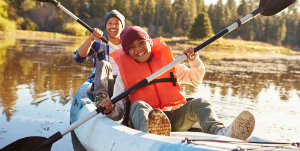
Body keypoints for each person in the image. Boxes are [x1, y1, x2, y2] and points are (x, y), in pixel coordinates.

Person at [99, 26, 255, 140]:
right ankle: (153, 135)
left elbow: (195, 79)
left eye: (141, 43)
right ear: (127, 53)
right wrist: (110, 108)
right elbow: (118, 111)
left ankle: (220, 132)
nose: (138, 49)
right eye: (132, 47)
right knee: (138, 105)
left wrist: (194, 61)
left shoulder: (168, 65)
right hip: (143, 122)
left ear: (150, 43)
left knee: (201, 103)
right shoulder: (123, 77)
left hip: (172, 119)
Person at [73, 10, 125, 102]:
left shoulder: (128, 46)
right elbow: (78, 58)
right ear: (106, 26)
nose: (113, 26)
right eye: (109, 23)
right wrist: (91, 39)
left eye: (116, 23)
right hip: (102, 83)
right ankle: (101, 98)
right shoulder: (98, 43)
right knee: (104, 64)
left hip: (122, 84)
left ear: (122, 26)